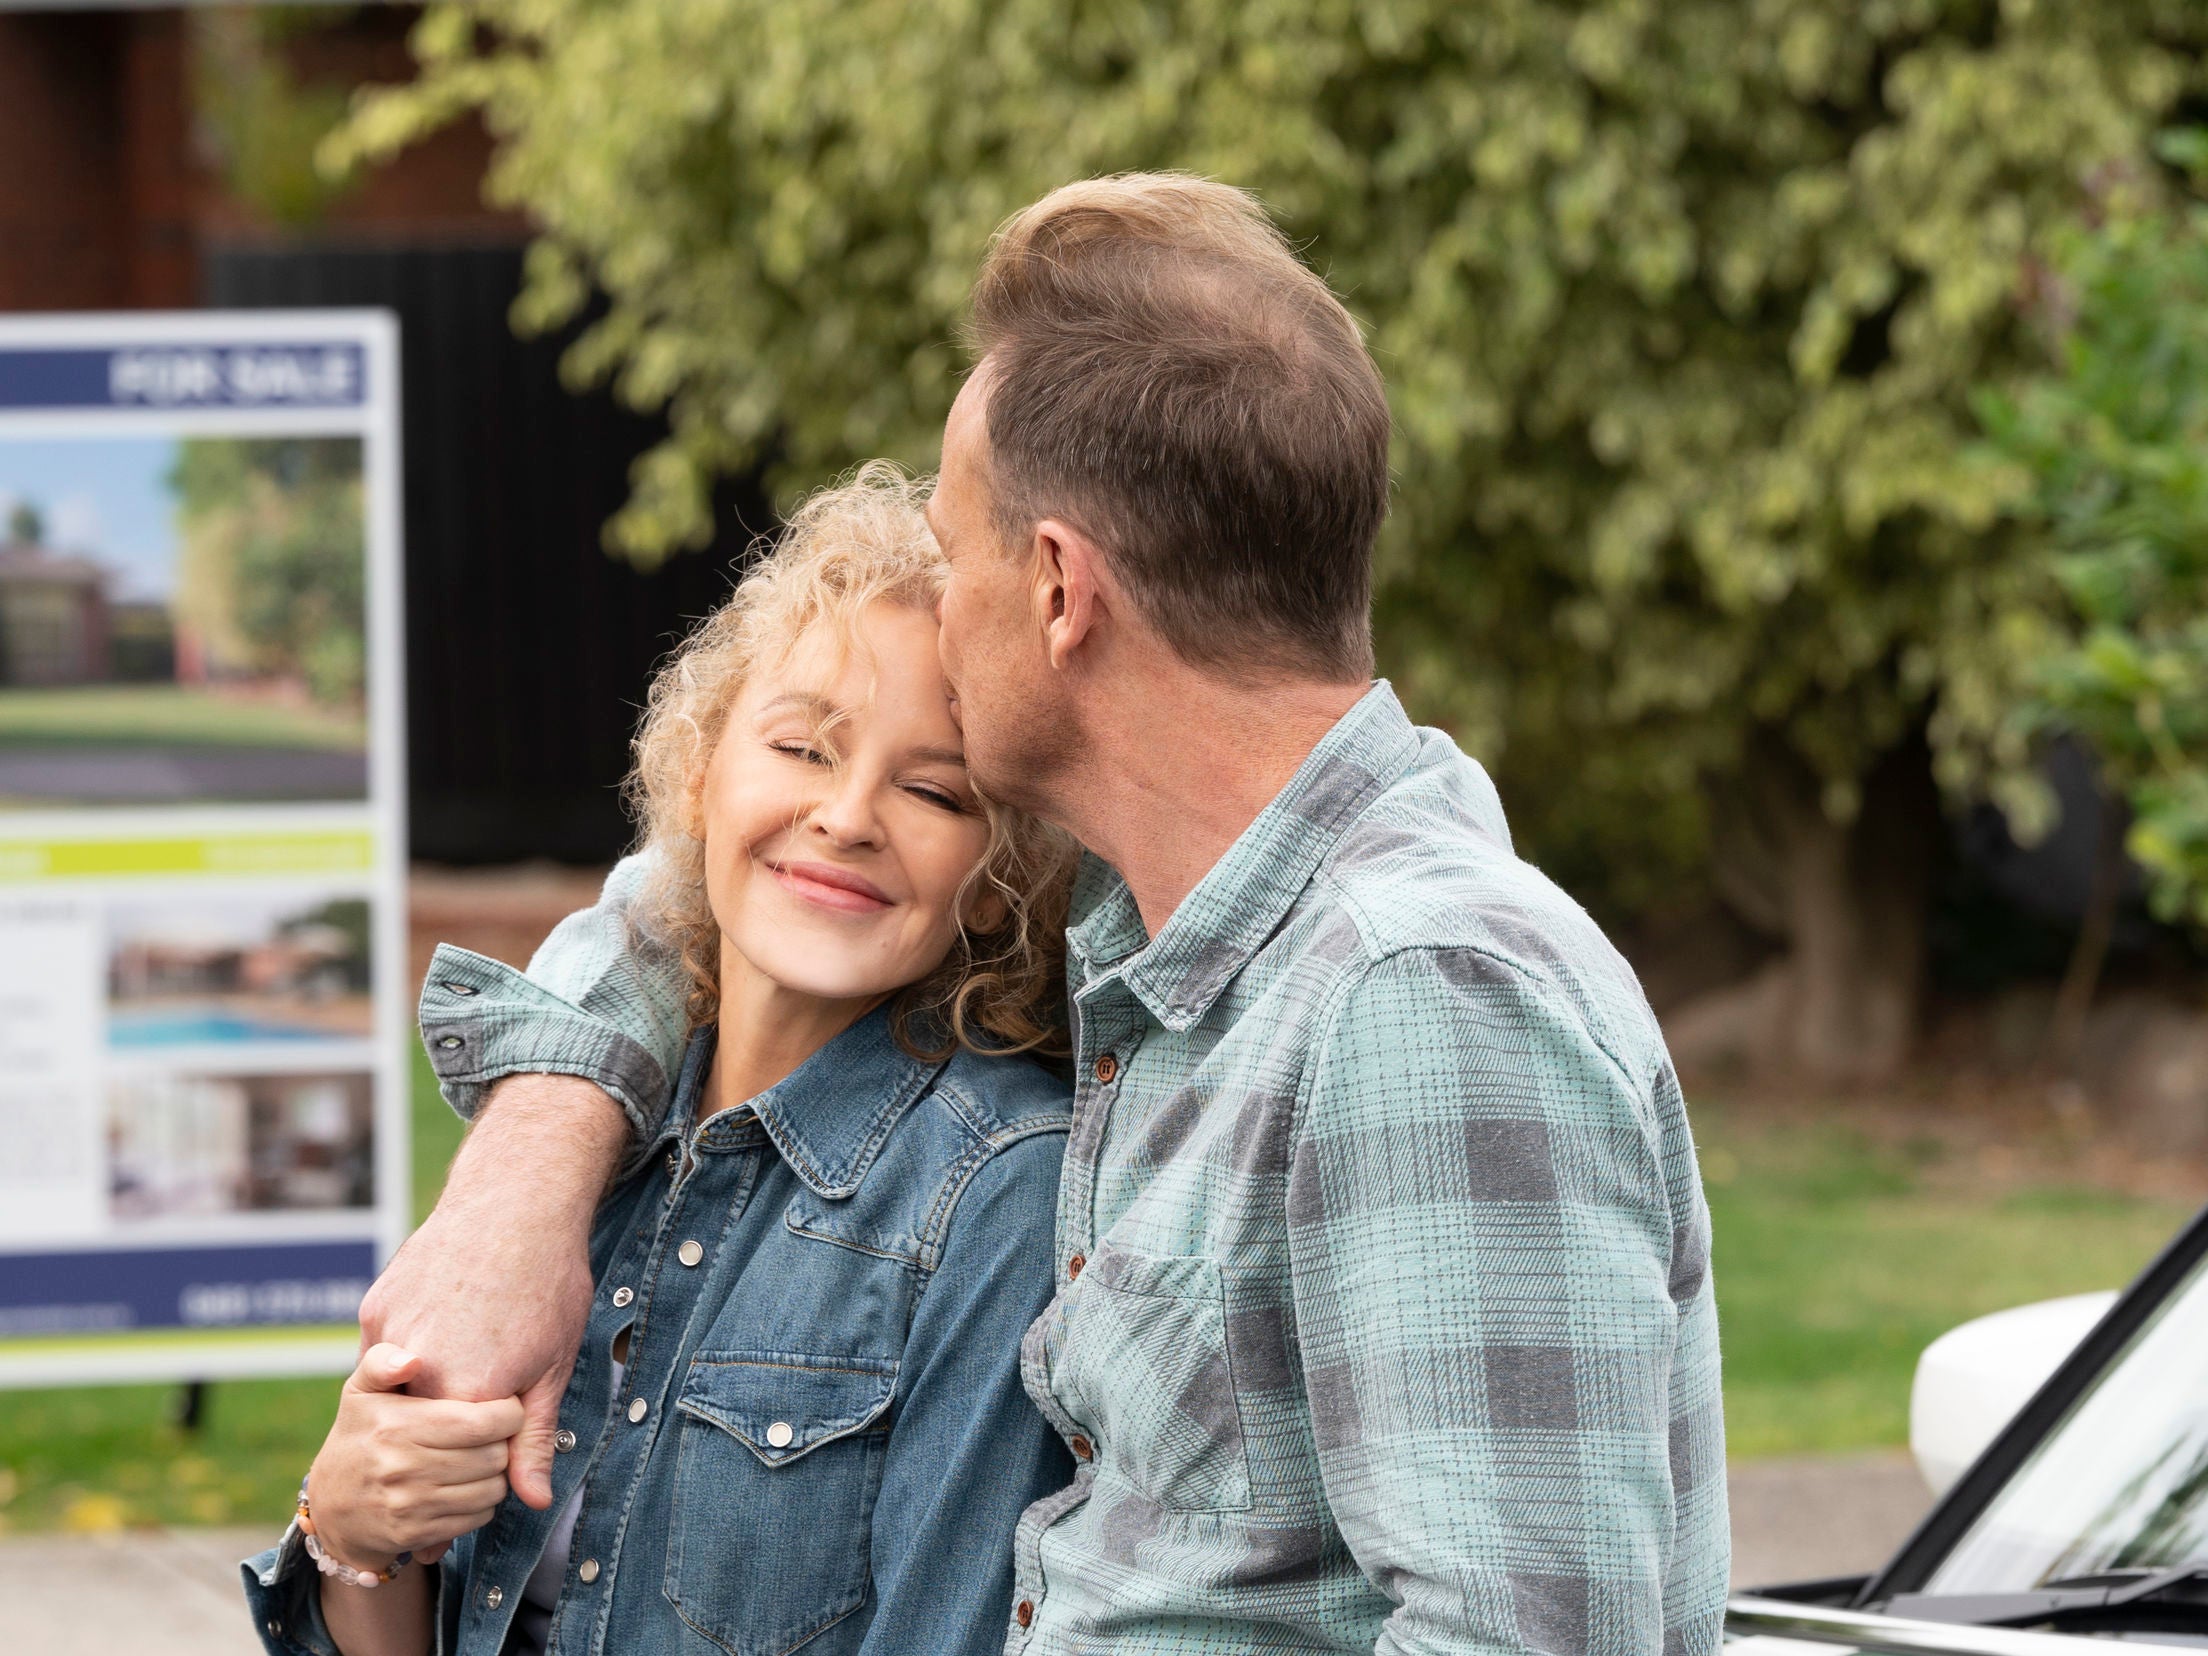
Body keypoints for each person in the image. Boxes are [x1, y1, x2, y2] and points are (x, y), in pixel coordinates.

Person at [364, 174, 1730, 1653]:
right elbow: (692, 887)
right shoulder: (1180, 951)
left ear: (1062, 590)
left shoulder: (1418, 994)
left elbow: (1533, 1637)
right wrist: (535, 1155)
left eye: (953, 564)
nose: (938, 621)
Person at [243, 468, 1079, 1656]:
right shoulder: (562, 1153)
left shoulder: (999, 1199)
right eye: (801, 746)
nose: (846, 816)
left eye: (934, 790)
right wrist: (354, 1539)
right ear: (698, 776)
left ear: (998, 890)